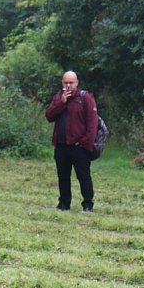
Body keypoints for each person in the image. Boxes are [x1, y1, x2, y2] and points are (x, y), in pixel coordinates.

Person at [45, 70, 99, 212]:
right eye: (65, 82)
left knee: (83, 176)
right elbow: (49, 116)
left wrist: (84, 144)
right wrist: (62, 102)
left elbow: (92, 125)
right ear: (62, 83)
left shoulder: (85, 98)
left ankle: (87, 204)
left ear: (77, 83)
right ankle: (64, 204)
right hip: (61, 145)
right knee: (63, 176)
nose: (68, 85)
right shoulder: (58, 97)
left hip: (79, 146)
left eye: (71, 82)